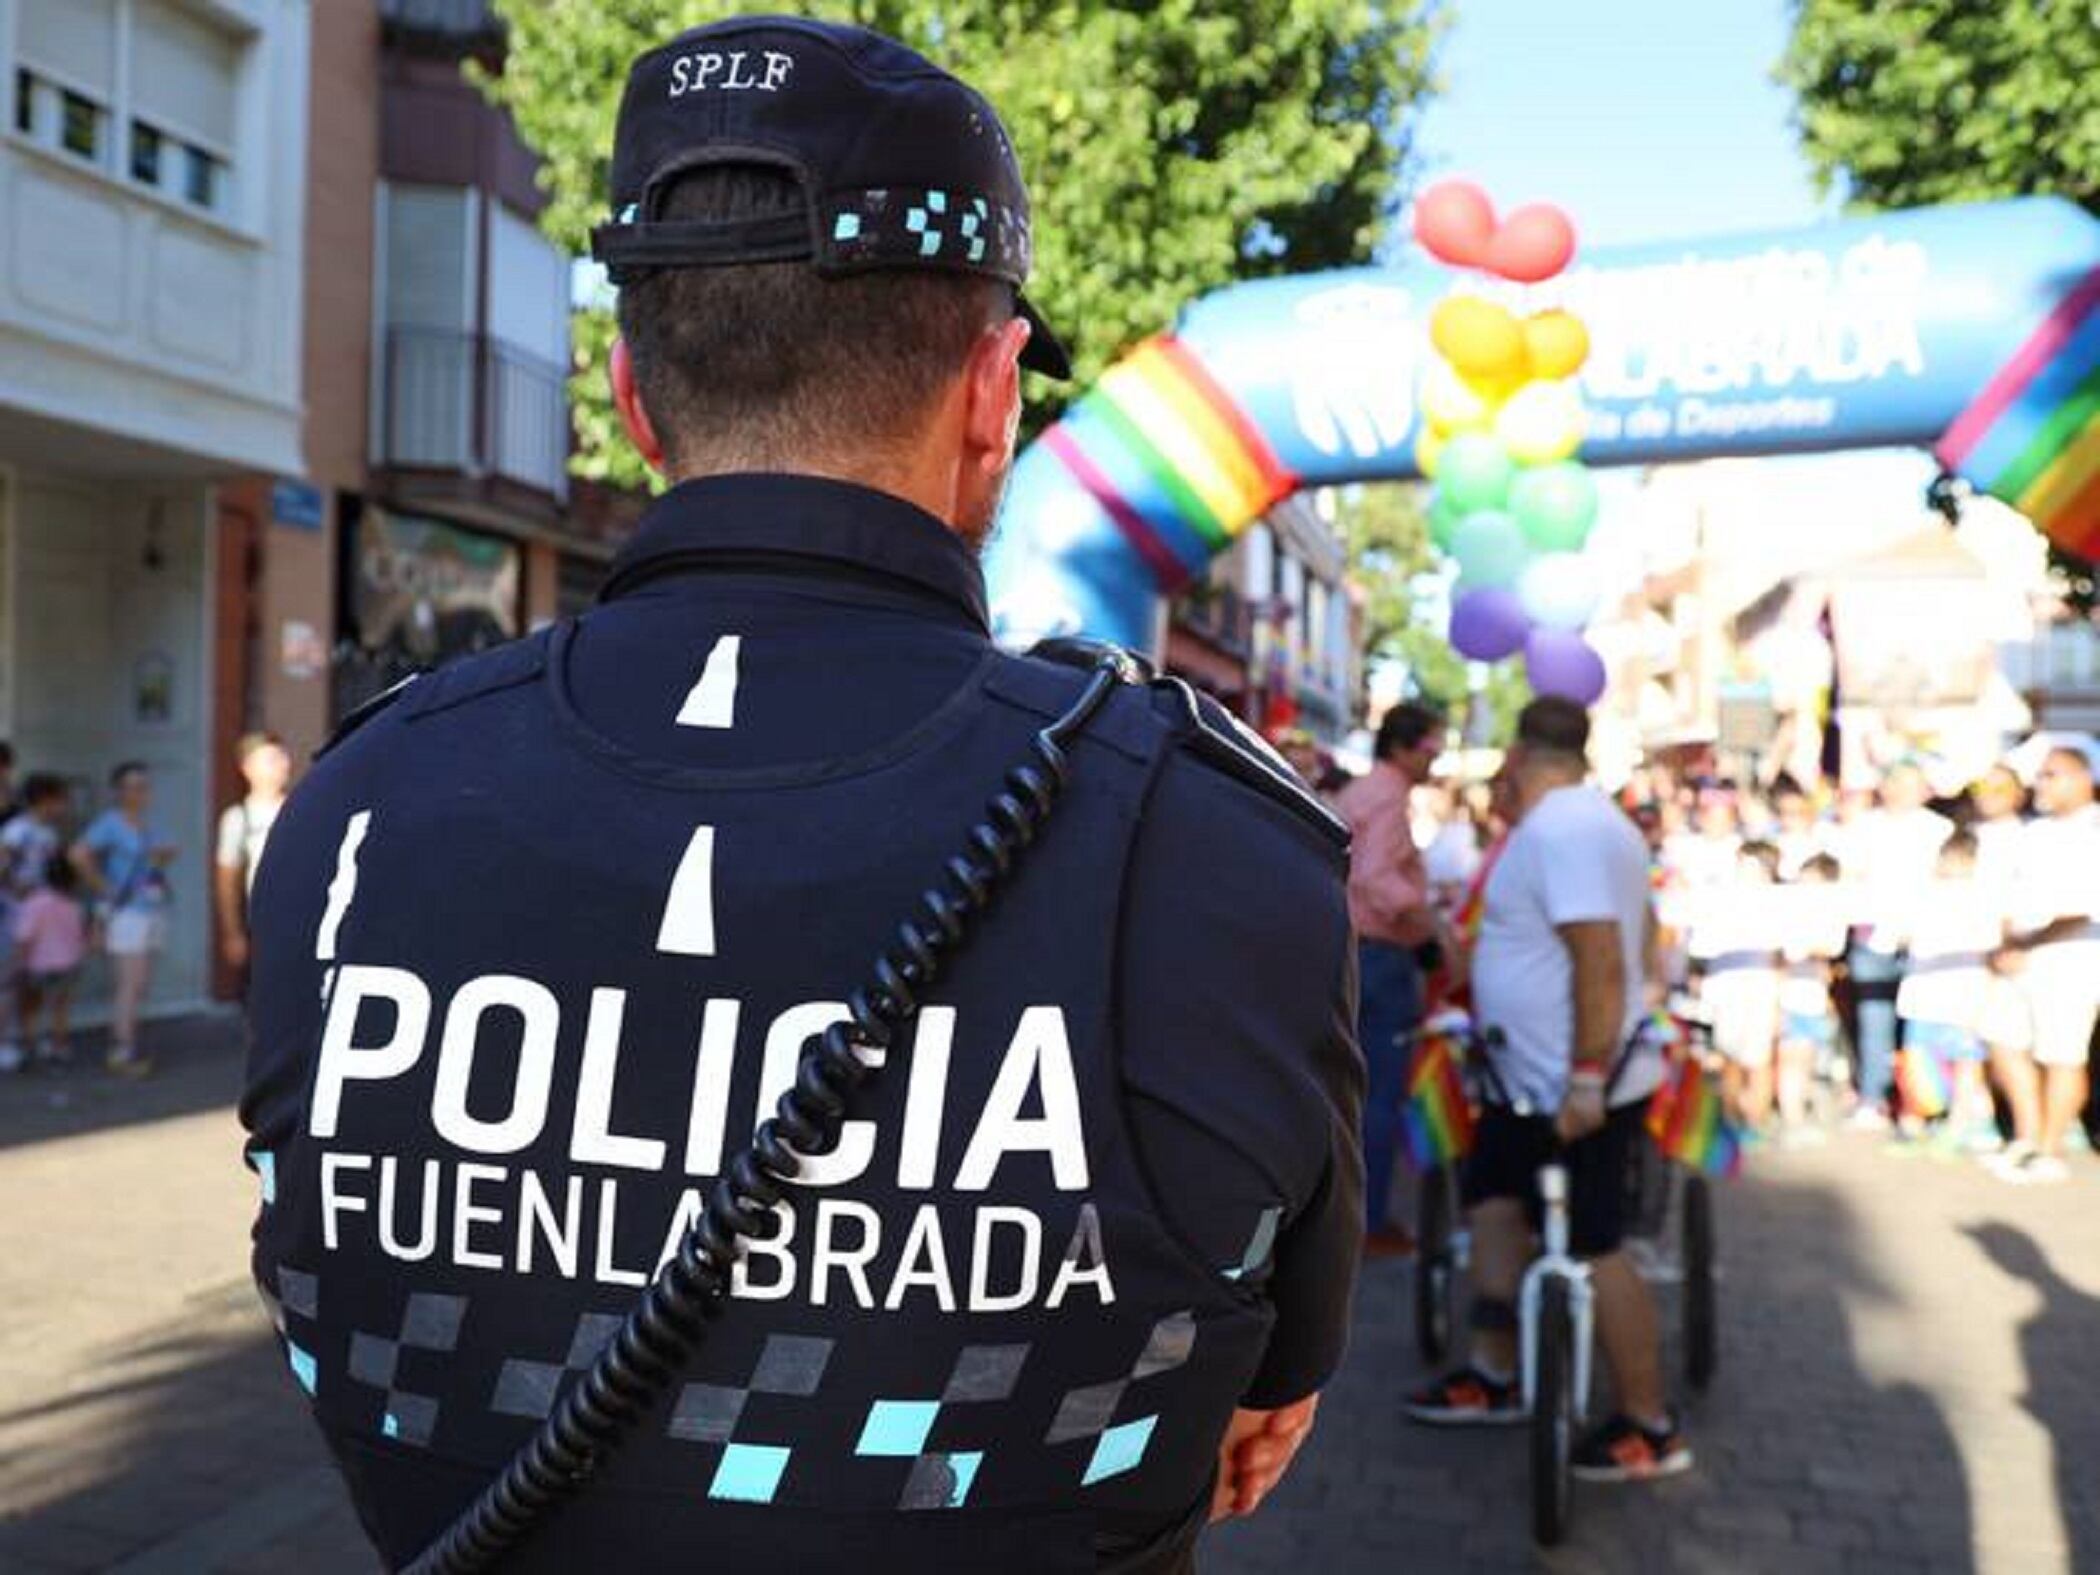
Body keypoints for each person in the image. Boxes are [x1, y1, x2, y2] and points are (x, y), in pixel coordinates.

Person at [241, 19, 1363, 1573]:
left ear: (633, 396)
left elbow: (316, 1271)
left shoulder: (350, 813)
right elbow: (1260, 1407)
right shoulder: (1220, 844)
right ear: (992, 392)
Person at [1407, 699, 1687, 1482]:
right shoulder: (1587, 824)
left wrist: (1589, 1074)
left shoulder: (1564, 829)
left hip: (1571, 1085)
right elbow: (1637, 938)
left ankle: (1647, 1422)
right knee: (1492, 1201)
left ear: (1524, 754)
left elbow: (1599, 955)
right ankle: (1495, 1372)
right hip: (1523, 1082)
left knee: (1596, 1244)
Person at [1334, 701, 1445, 1256]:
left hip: (1358, 952)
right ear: (1403, 747)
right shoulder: (1386, 795)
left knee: (1354, 1093)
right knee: (1378, 1096)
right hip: (1379, 955)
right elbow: (1377, 877)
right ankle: (1369, 1220)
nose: (1436, 759)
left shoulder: (1366, 791)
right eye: (1431, 748)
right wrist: (1434, 928)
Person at [1988, 746, 2100, 1184]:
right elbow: (2009, 894)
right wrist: (2006, 942)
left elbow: (2084, 908)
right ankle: (2028, 1137)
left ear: (2081, 777)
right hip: (2019, 956)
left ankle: (2051, 1150)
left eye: (2051, 775)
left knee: (2061, 1053)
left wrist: (2028, 942)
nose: (2042, 785)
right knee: (2002, 1040)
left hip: (2070, 959)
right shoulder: (2033, 833)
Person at [1843, 763, 1951, 1127]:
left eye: (1912, 785)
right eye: (1896, 783)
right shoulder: (1864, 827)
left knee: (1924, 1025)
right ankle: (1874, 1098)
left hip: (1927, 943)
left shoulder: (1940, 830)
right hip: (1871, 940)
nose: (1903, 791)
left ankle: (1922, 1104)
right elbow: (1849, 879)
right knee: (1875, 1020)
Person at [1892, 830, 1998, 1148]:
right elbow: (1898, 936)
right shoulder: (1921, 894)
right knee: (1916, 1062)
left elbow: (1991, 945)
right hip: (1921, 999)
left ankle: (1961, 1124)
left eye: (1963, 860)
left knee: (1966, 1064)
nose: (1953, 867)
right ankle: (1912, 1121)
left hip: (1964, 999)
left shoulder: (1986, 898)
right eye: (1948, 858)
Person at [71, 762, 175, 1078]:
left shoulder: (147, 824)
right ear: (118, 791)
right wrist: (106, 888)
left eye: (143, 786)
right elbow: (78, 854)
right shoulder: (110, 824)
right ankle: (121, 1049)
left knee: (139, 982)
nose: (139, 793)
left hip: (150, 908)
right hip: (127, 911)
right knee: (129, 983)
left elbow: (166, 852)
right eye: (132, 787)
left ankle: (128, 1043)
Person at [1693, 841, 1783, 1130]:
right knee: (1728, 1054)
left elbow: (1781, 954)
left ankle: (1757, 1120)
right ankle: (1731, 1120)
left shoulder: (1779, 903)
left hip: (1760, 988)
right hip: (1725, 987)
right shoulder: (1720, 899)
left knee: (1759, 1058)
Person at [0, 773, 72, 1072]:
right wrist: (16, 888)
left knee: (36, 978)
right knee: (8, 978)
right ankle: (4, 1042)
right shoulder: (18, 831)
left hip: (42, 912)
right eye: (59, 799)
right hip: (15, 912)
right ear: (45, 800)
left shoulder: (48, 833)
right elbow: (3, 864)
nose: (64, 806)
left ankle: (30, 1035)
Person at [1774, 852, 1846, 1139]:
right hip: (1789, 999)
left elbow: (1831, 949)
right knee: (1793, 1058)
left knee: (1806, 1059)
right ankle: (1793, 1119)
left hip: (1812, 998)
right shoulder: (1788, 914)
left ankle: (1798, 1116)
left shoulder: (1830, 917)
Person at [215, 731, 293, 972]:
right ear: (248, 767)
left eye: (283, 757)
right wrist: (233, 932)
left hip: (301, 915)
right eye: (271, 759)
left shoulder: (302, 807)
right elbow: (226, 879)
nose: (282, 765)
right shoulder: (238, 818)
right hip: (261, 919)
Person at [11, 855, 86, 1067]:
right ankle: (59, 1047)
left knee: (31, 1007)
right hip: (68, 963)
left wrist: (19, 962)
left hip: (38, 964)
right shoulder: (73, 905)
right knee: (60, 1008)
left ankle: (29, 1048)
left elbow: (24, 937)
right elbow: (80, 936)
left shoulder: (34, 902)